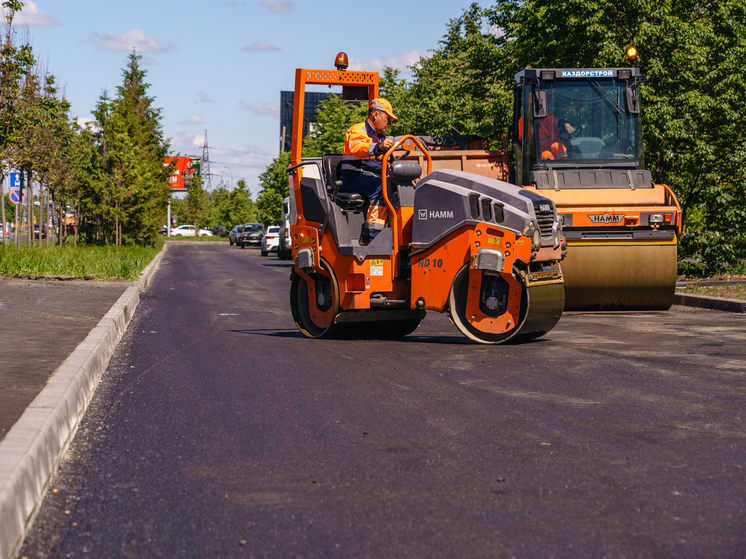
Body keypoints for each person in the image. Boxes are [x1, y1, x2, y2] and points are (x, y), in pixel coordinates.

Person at [339, 98, 397, 245]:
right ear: (376, 115)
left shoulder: (381, 138)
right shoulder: (358, 130)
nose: (389, 123)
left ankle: (396, 233)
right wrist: (378, 147)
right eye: (387, 118)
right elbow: (357, 148)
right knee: (382, 186)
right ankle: (371, 237)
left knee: (396, 185)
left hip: (371, 177)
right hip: (353, 177)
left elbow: (389, 162)